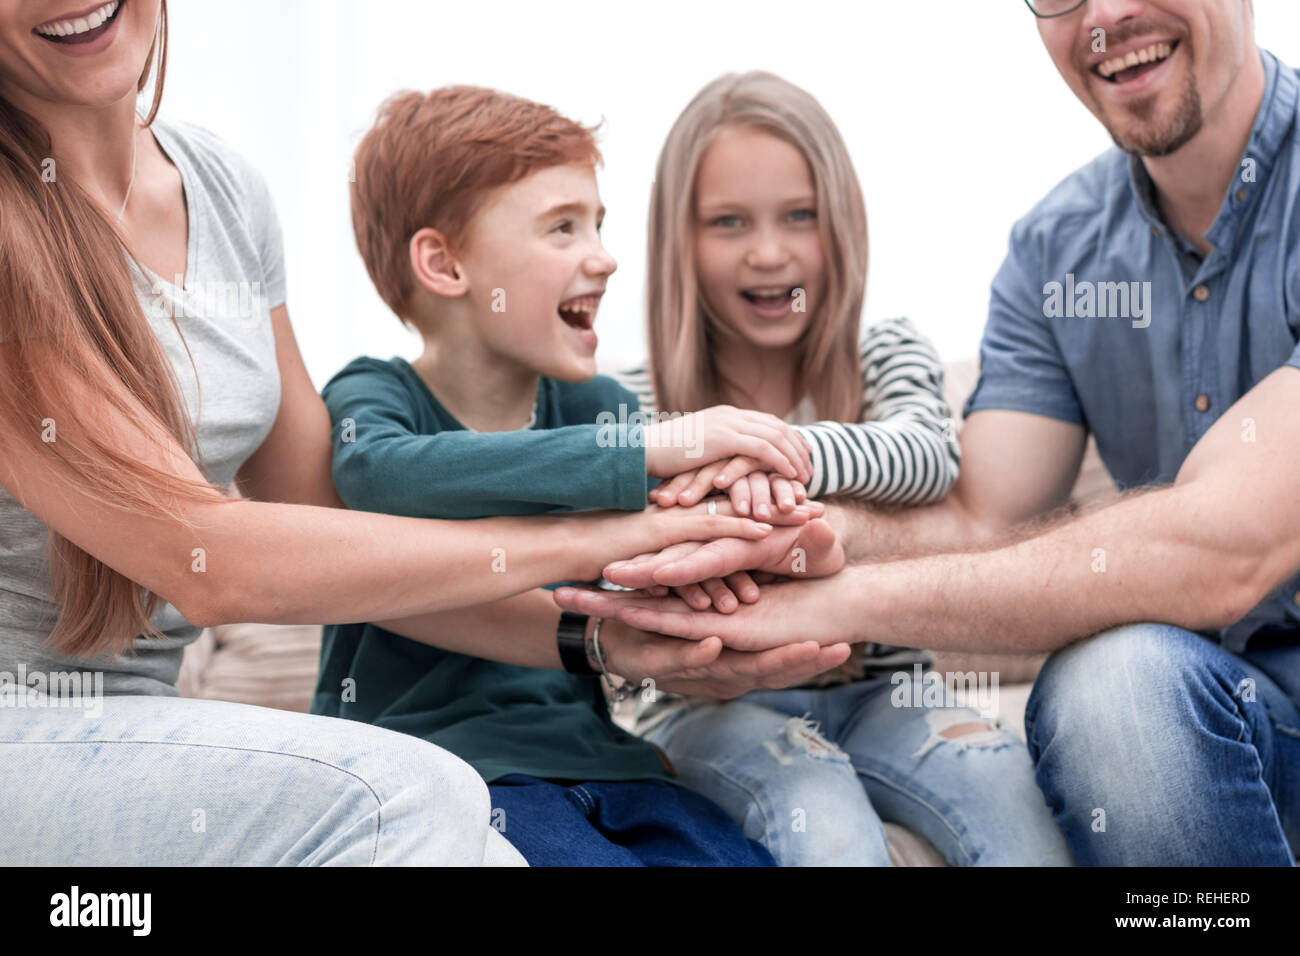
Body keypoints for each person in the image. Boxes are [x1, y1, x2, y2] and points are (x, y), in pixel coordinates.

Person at [0, 0, 817, 866]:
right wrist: (609, 528)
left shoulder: (223, 189)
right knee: (413, 796)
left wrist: (603, 639)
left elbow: (329, 512)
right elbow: (211, 561)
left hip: (140, 722)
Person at [559, 0, 1300, 866]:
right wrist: (803, 536)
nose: (1107, 14)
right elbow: (981, 519)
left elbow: (1224, 548)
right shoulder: (1055, 252)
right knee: (1117, 689)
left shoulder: (886, 357)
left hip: (907, 691)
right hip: (1219, 708)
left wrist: (783, 500)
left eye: (798, 216)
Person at [310, 84, 855, 866]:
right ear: (444, 262)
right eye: (562, 228)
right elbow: (380, 476)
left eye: (597, 224)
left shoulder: (592, 405)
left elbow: (659, 548)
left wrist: (747, 550)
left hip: (612, 764)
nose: (602, 256)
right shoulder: (376, 396)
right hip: (450, 772)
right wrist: (641, 452)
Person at [608, 71, 1071, 866]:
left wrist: (775, 457)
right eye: (728, 222)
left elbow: (928, 457)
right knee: (819, 816)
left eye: (800, 216)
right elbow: (624, 565)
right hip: (704, 709)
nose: (768, 252)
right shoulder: (631, 405)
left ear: (843, 223)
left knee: (1012, 794)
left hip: (889, 692)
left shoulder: (885, 350)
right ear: (678, 240)